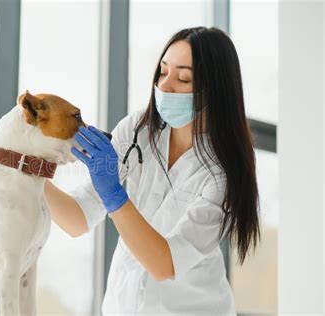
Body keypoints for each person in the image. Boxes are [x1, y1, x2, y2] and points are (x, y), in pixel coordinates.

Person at [44, 26, 260, 315]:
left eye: (184, 78)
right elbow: (78, 219)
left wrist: (113, 193)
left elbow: (164, 264)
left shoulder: (223, 174)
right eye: (163, 72)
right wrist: (26, 174)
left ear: (215, 91)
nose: (165, 86)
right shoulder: (137, 131)